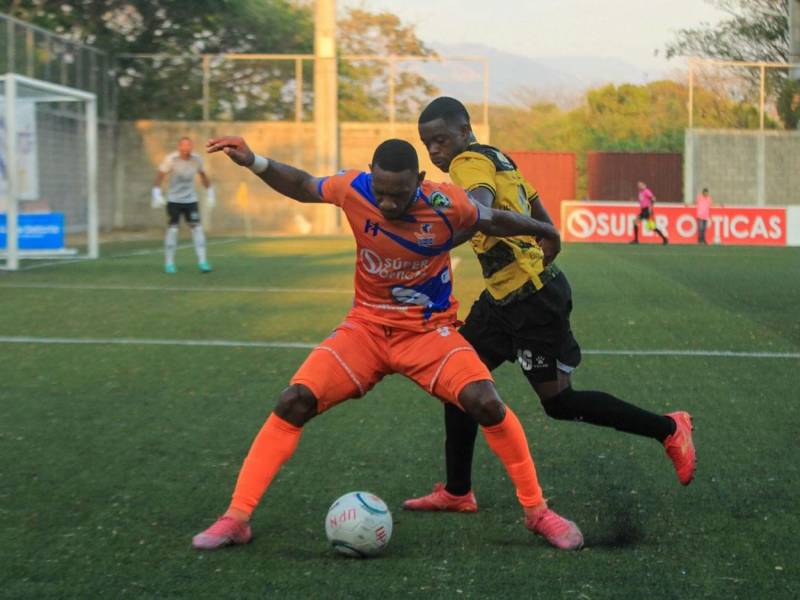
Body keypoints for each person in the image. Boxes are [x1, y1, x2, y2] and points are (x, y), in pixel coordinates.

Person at [191, 135, 584, 552]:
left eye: (398, 194)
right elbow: (304, 185)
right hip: (366, 330)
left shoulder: (447, 204)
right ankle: (236, 517)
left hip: (428, 333)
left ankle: (538, 512)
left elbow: (492, 218)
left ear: (418, 179)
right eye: (381, 193)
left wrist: (545, 230)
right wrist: (254, 160)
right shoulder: (354, 189)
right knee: (294, 401)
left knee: (486, 402)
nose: (388, 204)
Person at [404, 97, 695, 514]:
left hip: (532, 301)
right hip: (505, 299)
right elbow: (537, 207)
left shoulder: (467, 163)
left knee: (558, 403)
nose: (434, 150)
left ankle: (669, 428)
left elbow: (478, 208)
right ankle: (457, 491)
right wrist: (547, 234)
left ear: (465, 132)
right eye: (426, 143)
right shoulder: (496, 156)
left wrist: (432, 243)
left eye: (440, 139)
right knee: (460, 383)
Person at [151, 137, 215, 273]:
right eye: (184, 146)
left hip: (190, 200)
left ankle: (203, 262)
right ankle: (169, 263)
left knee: (197, 229)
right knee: (173, 230)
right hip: (174, 200)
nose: (186, 148)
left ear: (191, 147)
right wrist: (156, 193)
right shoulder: (171, 159)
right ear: (179, 147)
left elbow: (203, 175)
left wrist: (210, 193)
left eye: (189, 146)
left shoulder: (197, 160)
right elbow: (160, 175)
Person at [630, 181, 668, 245]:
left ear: (645, 185)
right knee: (651, 227)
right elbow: (643, 201)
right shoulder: (640, 192)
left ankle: (636, 240)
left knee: (636, 222)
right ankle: (664, 239)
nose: (639, 186)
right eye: (638, 185)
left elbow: (653, 198)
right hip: (643, 210)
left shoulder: (646, 191)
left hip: (647, 210)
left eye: (641, 185)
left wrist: (650, 207)